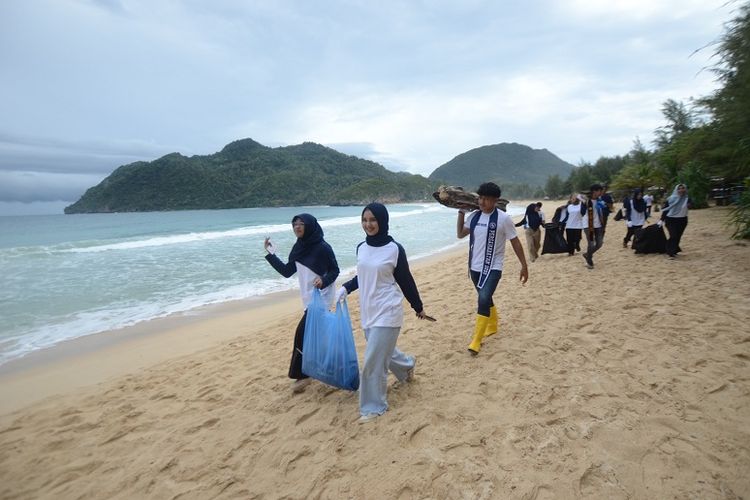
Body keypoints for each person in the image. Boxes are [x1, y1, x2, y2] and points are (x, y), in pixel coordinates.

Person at [336, 203, 429, 422]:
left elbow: (405, 280)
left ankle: (373, 407)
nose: (368, 224)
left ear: (382, 221)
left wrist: (418, 306)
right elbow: (363, 275)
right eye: (365, 220)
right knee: (386, 353)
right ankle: (407, 366)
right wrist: (345, 288)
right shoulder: (361, 247)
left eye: (373, 220)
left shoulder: (394, 249)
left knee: (372, 362)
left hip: (388, 310)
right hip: (368, 310)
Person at [264, 214, 340, 393]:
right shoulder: (298, 248)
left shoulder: (323, 248)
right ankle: (330, 366)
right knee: (317, 335)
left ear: (310, 226)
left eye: (301, 224)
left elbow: (335, 270)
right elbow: (287, 271)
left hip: (322, 297)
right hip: (308, 299)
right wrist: (271, 254)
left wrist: (323, 280)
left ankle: (302, 376)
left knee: (301, 334)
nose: (297, 227)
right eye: (294, 224)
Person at [457, 182, 529, 355]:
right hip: (474, 267)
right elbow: (460, 234)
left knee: (483, 298)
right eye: (480, 198)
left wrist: (524, 265)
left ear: (495, 201)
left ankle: (476, 340)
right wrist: (460, 213)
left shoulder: (503, 219)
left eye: (487, 199)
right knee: (485, 297)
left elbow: (515, 242)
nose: (482, 202)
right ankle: (493, 323)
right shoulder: (474, 216)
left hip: (493, 267)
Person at [661, 183, 691, 259]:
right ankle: (669, 252)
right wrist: (661, 219)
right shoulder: (671, 199)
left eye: (683, 188)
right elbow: (666, 210)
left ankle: (673, 250)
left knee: (678, 236)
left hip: (682, 219)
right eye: (679, 188)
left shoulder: (687, 198)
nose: (681, 190)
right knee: (673, 235)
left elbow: (690, 205)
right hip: (671, 219)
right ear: (676, 190)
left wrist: (689, 205)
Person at [581, 183, 605, 269]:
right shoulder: (586, 200)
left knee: (599, 243)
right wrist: (584, 204)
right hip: (588, 225)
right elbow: (582, 212)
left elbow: (603, 212)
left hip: (598, 225)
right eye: (599, 191)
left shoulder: (599, 200)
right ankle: (589, 262)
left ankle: (587, 254)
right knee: (591, 244)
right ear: (594, 191)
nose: (601, 192)